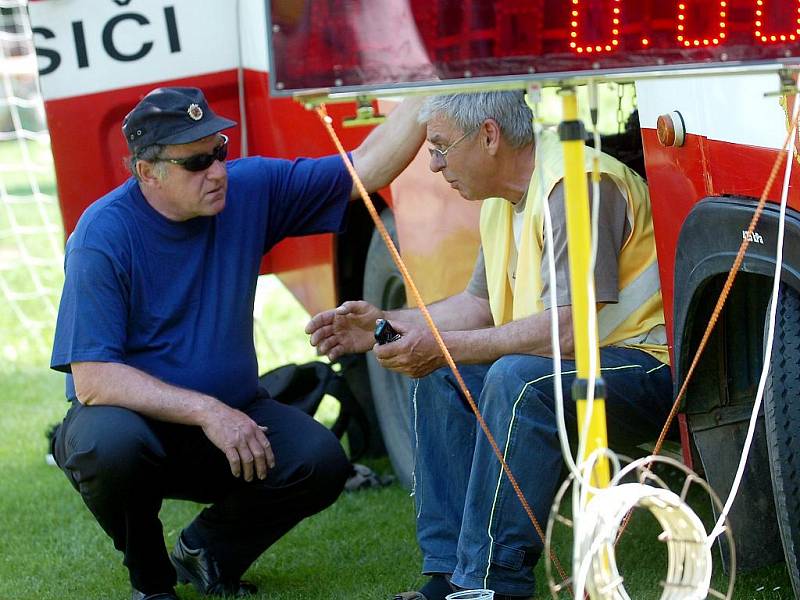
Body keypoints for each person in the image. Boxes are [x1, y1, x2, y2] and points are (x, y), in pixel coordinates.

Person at [49, 86, 426, 600]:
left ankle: (206, 552)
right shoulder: (102, 234)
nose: (218, 170)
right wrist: (207, 410)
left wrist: (435, 95)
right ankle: (152, 584)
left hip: (226, 417)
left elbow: (366, 168)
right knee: (107, 446)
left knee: (320, 460)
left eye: (220, 150)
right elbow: (92, 381)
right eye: (197, 162)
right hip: (132, 426)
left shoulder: (247, 190)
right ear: (146, 172)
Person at [305, 90, 673, 600]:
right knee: (444, 369)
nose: (432, 164)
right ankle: (447, 577)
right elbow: (477, 306)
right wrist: (383, 325)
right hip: (587, 365)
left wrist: (444, 345)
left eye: (439, 147)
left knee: (514, 377)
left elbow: (569, 330)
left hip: (650, 366)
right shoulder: (506, 200)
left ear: (489, 136)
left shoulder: (576, 184)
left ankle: (493, 584)